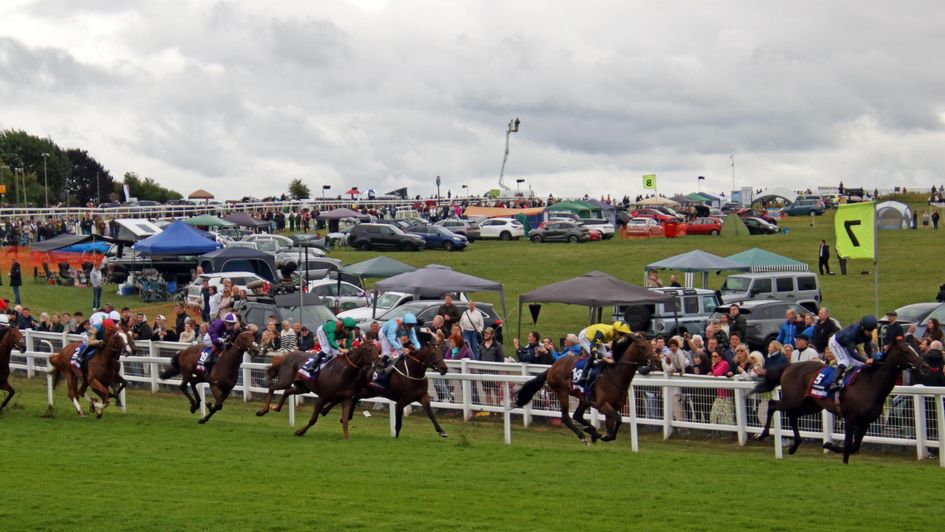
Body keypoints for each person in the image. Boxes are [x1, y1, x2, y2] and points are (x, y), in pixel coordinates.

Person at [828, 315, 879, 392]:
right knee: (844, 361)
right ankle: (833, 383)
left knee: (859, 364)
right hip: (835, 342)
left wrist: (871, 358)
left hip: (845, 345)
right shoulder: (851, 333)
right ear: (862, 328)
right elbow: (852, 352)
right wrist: (865, 360)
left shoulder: (868, 335)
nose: (870, 333)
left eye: (872, 331)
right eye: (869, 331)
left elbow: (867, 348)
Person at [577, 321, 632, 391]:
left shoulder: (615, 334)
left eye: (625, 334)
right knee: (596, 357)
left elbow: (614, 346)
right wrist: (606, 359)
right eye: (621, 334)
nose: (623, 337)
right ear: (615, 331)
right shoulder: (602, 333)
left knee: (606, 355)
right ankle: (583, 377)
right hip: (585, 337)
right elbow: (593, 351)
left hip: (596, 338)